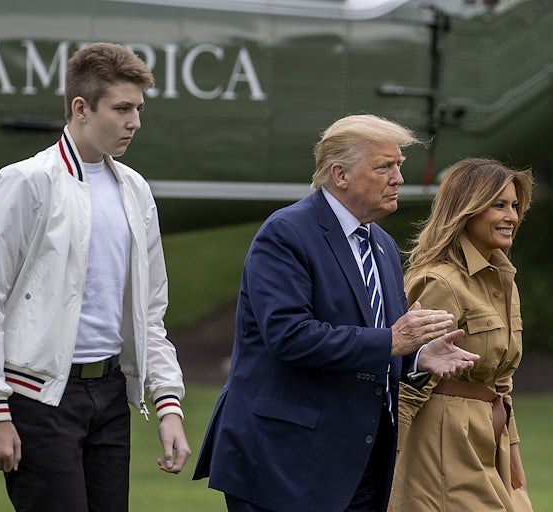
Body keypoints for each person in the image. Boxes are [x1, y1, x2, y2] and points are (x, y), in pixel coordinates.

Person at [193, 114, 481, 512]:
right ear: (339, 174)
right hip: (285, 462)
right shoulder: (286, 233)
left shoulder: (379, 243)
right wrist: (393, 341)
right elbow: (289, 336)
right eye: (384, 167)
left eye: (399, 166)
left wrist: (417, 356)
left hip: (360, 461)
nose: (398, 178)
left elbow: (378, 337)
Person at [0, 42, 190, 512]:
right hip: (37, 399)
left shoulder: (137, 191)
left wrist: (168, 403)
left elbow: (150, 312)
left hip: (110, 396)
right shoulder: (26, 181)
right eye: (122, 108)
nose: (135, 122)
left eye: (139, 109)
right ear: (81, 108)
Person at [389, 158, 534, 511]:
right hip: (442, 441)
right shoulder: (439, 281)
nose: (511, 216)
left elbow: (503, 382)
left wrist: (514, 463)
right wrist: (384, 462)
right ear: (467, 210)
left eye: (514, 206)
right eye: (498, 205)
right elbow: (408, 377)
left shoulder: (503, 279)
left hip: (489, 437)